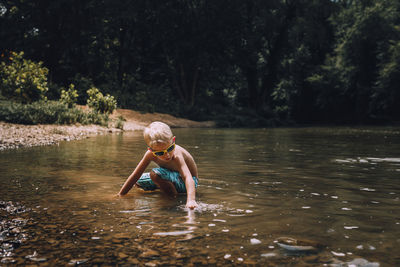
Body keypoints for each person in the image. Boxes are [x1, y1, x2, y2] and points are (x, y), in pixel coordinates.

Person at [118, 121, 199, 209]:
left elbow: (187, 177)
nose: (167, 155)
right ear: (151, 150)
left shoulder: (177, 155)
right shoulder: (149, 154)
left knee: (155, 174)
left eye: (170, 148)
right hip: (172, 176)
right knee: (138, 182)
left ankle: (172, 199)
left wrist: (191, 199)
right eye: (160, 153)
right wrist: (121, 194)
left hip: (189, 183)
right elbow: (135, 175)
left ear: (173, 140)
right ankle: (166, 188)